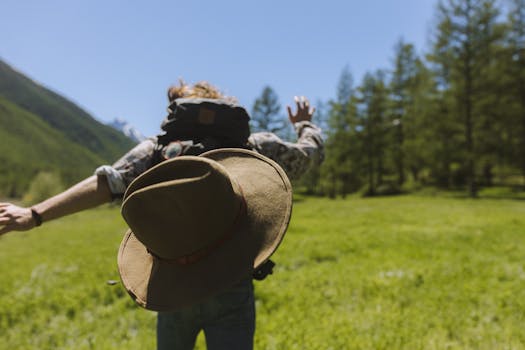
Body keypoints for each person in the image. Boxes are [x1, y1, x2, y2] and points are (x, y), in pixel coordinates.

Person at [0, 80, 323, 350]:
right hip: (232, 276)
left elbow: (106, 182)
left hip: (173, 279)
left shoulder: (158, 150)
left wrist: (34, 213)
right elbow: (309, 156)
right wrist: (304, 125)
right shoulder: (252, 147)